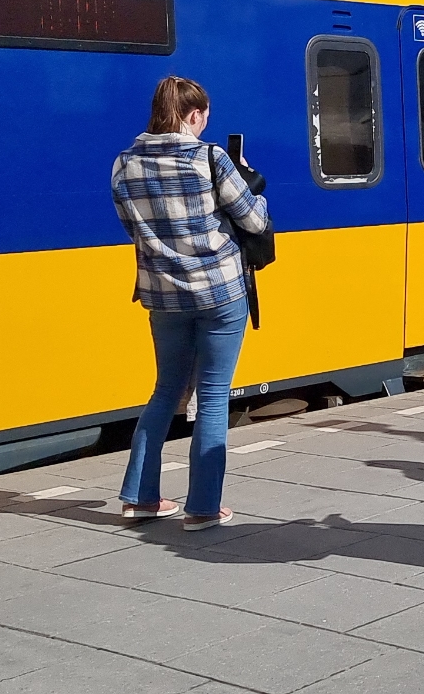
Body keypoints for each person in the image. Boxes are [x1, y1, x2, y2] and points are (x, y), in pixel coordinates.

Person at [113, 76, 269, 531]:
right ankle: (202, 507)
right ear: (195, 114)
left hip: (163, 296)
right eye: (204, 117)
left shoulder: (123, 163)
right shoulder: (210, 157)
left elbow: (132, 229)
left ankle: (140, 499)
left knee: (166, 391)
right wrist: (248, 180)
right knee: (214, 397)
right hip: (220, 293)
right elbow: (255, 221)